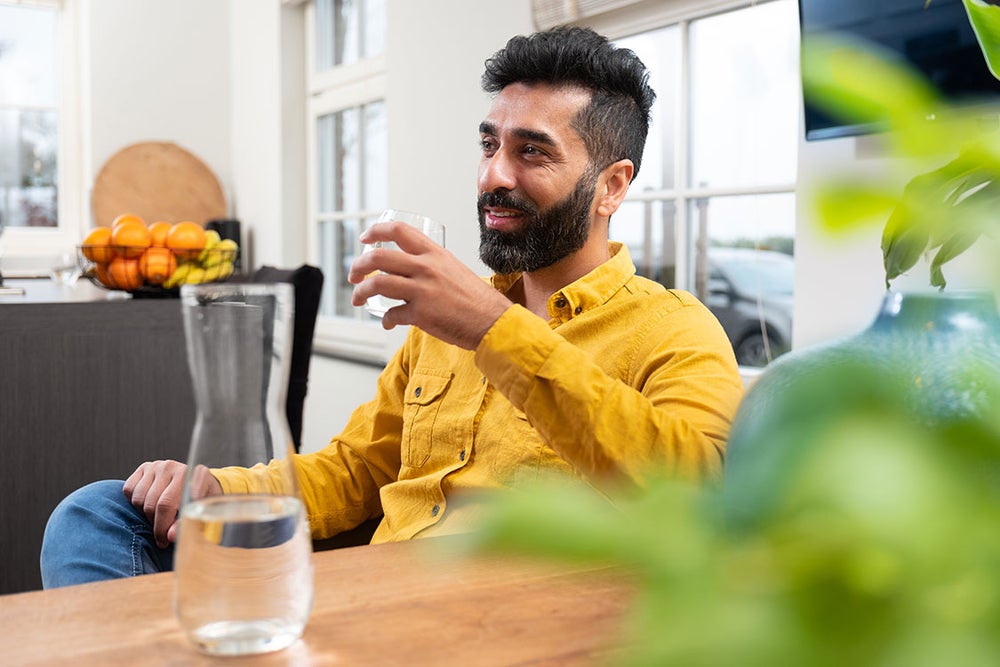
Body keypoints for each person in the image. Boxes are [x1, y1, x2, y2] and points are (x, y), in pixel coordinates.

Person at [40, 25, 744, 588]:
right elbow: (354, 470)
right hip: (362, 590)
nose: (494, 175)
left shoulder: (674, 330)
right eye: (490, 144)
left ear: (612, 186)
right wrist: (219, 483)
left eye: (533, 152)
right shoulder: (442, 323)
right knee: (97, 516)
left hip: (495, 619)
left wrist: (495, 331)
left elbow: (695, 494)